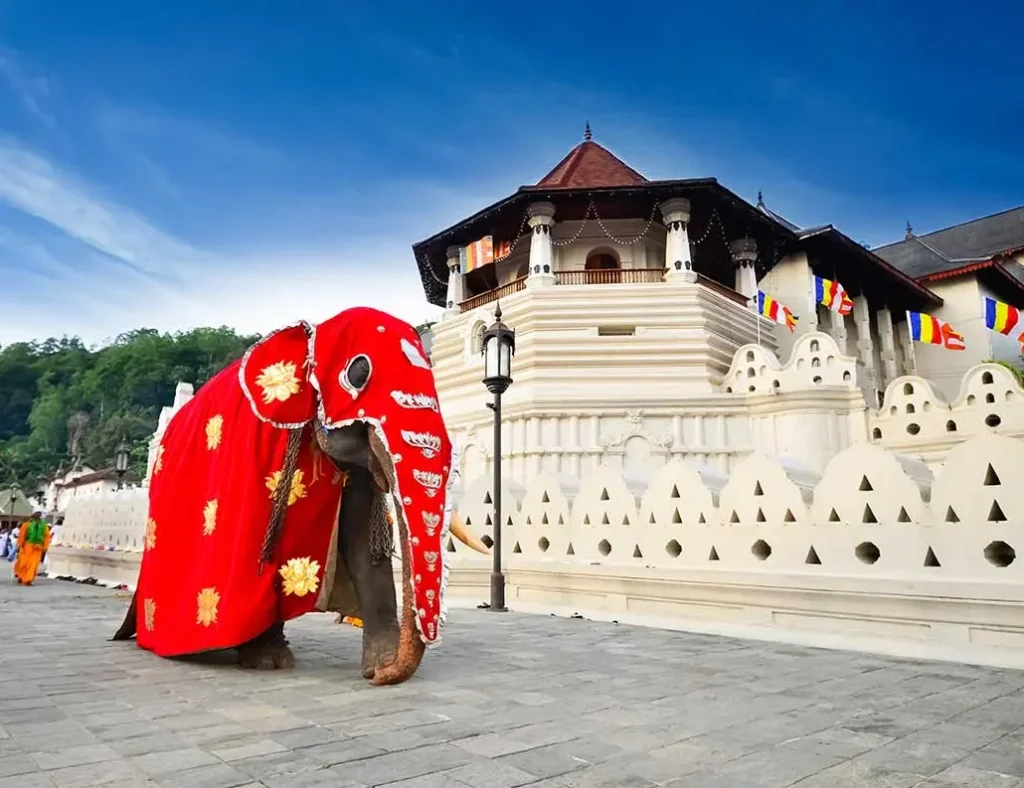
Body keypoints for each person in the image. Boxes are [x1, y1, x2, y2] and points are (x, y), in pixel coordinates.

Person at [13, 512, 51, 585]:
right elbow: (22, 535)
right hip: (27, 547)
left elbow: (46, 537)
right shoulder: (27, 524)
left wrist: (45, 546)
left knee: (34, 564)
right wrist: (20, 544)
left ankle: (28, 579)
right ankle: (21, 576)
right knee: (23, 563)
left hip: (37, 548)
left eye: (39, 517)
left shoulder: (43, 526)